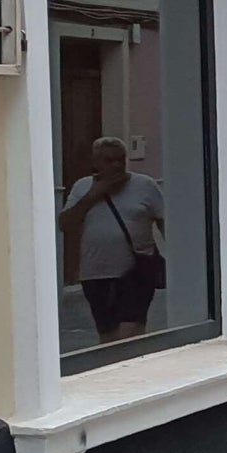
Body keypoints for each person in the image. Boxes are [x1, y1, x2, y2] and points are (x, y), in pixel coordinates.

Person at [59, 136, 168, 344]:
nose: (117, 165)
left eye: (120, 159)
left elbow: (166, 223)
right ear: (96, 162)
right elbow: (66, 225)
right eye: (109, 160)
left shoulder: (145, 185)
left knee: (131, 332)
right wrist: (93, 196)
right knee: (107, 334)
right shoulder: (83, 187)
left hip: (137, 270)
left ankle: (133, 369)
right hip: (96, 272)